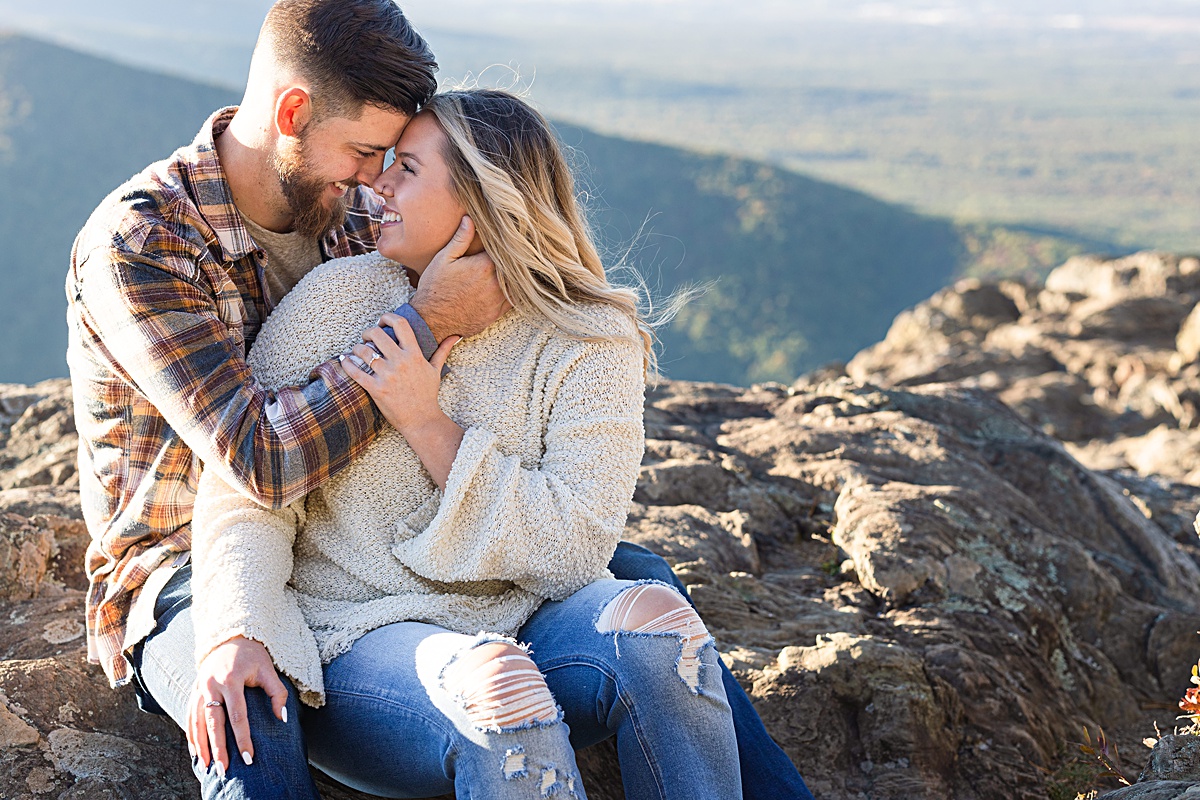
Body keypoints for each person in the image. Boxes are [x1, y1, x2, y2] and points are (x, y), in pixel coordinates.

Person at [65, 0, 813, 798]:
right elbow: (259, 466)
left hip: (371, 539)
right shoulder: (146, 244)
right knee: (252, 707)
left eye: (395, 160)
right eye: (366, 153)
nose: (377, 181)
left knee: (644, 588)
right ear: (293, 113)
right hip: (184, 552)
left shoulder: (356, 212)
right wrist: (423, 328)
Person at [184, 87, 743, 799]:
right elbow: (244, 497)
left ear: (479, 207)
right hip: (360, 638)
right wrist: (238, 626)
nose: (376, 183)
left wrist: (426, 422)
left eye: (407, 169)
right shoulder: (338, 298)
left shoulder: (590, 336)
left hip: (528, 622)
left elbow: (576, 550)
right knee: (500, 686)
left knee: (662, 624)